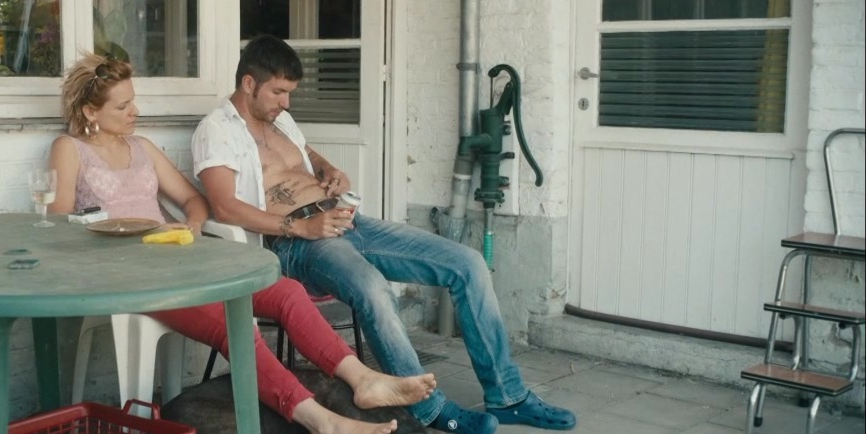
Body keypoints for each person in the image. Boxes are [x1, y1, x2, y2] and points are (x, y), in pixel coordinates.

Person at [192, 35, 578, 434]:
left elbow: (307, 156)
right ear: (249, 84)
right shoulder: (216, 130)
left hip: (347, 221)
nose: (286, 102)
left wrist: (329, 171)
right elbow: (225, 207)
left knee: (467, 263)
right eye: (278, 92)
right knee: (374, 289)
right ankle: (427, 410)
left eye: (290, 93)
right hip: (297, 243)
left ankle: (508, 396)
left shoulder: (280, 120)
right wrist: (301, 226)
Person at [48, 52, 438, 434]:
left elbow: (194, 200)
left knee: (287, 293)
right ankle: (321, 420)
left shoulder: (141, 147)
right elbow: (60, 224)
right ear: (91, 112)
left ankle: (363, 379)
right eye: (123, 106)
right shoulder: (70, 150)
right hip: (133, 277)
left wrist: (192, 226)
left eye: (133, 101)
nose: (135, 111)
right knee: (230, 324)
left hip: (176, 259)